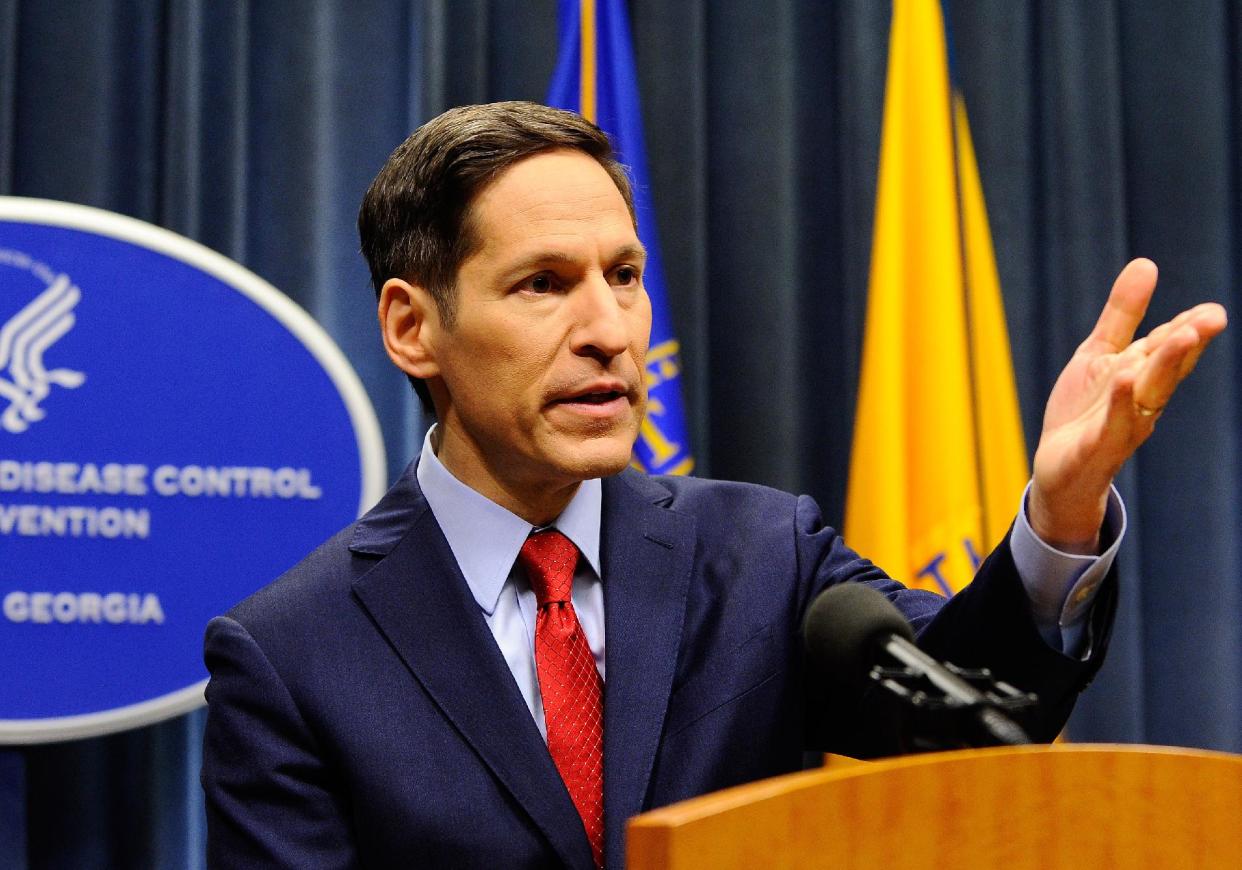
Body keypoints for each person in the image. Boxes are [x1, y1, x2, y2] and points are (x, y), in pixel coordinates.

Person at [200, 101, 1226, 869]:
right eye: (543, 285)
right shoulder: (292, 656)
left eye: (625, 274)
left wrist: (1061, 511)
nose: (608, 330)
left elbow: (974, 707)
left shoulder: (759, 556)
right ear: (411, 326)